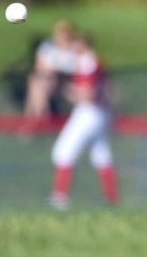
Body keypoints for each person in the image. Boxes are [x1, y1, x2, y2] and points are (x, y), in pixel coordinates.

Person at [49, 33, 118, 210]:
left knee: (63, 152)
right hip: (101, 112)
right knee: (101, 154)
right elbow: (109, 88)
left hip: (88, 112)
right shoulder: (96, 61)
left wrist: (66, 89)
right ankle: (111, 198)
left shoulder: (87, 62)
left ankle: (60, 198)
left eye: (75, 44)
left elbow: (86, 94)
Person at [19, 20, 79, 136]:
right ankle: (37, 121)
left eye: (65, 32)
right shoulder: (48, 46)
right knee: (37, 85)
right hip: (48, 81)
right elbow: (40, 66)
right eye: (60, 32)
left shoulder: (74, 49)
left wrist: (58, 70)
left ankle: (40, 122)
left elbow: (77, 67)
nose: (62, 35)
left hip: (67, 82)